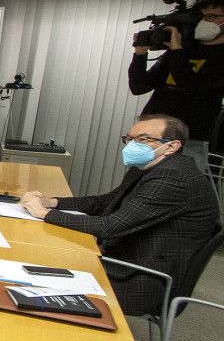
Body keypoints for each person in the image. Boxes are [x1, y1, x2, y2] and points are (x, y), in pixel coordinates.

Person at [21, 115, 219, 315]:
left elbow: (109, 227)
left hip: (139, 281)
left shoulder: (173, 177)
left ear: (171, 146)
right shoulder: (148, 167)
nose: (132, 145)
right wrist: (54, 202)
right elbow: (105, 202)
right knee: (35, 260)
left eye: (142, 139)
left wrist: (44, 214)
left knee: (30, 276)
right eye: (129, 138)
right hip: (124, 259)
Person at [128, 0, 224, 171]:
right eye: (202, 17)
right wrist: (140, 54)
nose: (205, 22)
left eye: (212, 16)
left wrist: (177, 50)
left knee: (175, 194)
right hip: (150, 136)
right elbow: (139, 86)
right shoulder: (182, 50)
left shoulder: (192, 53)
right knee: (135, 191)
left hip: (189, 141)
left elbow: (191, 86)